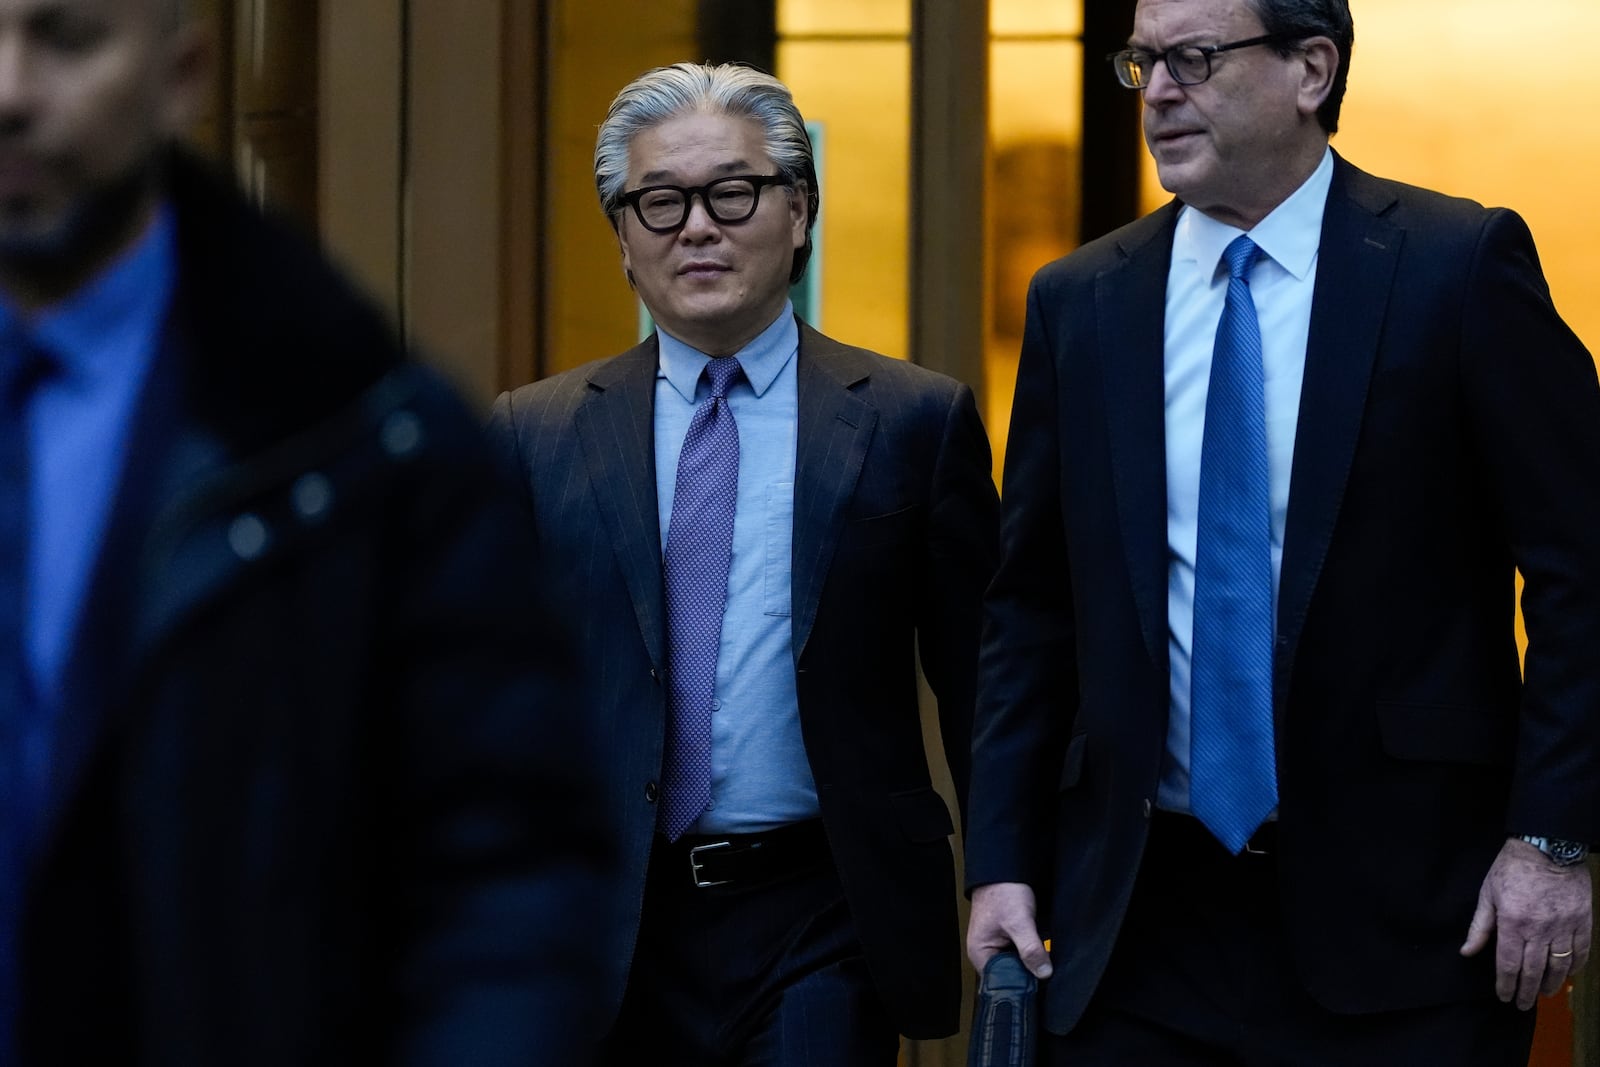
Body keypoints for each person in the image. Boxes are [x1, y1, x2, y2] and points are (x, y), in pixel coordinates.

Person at [964, 0, 1600, 1063]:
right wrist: (1001, 859)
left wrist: (1550, 837)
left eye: (1195, 58)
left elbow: (1580, 569)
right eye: (1142, 62)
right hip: (1136, 921)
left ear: (1312, 69)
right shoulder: (1082, 302)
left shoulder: (1454, 265)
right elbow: (1029, 607)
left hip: (1406, 918)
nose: (1158, 90)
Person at [1, 1, 610, 1063]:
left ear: (182, 72)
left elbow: (505, 874)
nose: (7, 92)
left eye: (67, 38)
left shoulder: (365, 438)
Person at [490, 61, 998, 1065]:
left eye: (732, 191)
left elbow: (986, 679)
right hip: (610, 918)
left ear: (797, 209)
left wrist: (1014, 873)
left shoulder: (909, 419)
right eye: (659, 202)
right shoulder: (535, 433)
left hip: (823, 907)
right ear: (623, 238)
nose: (697, 227)